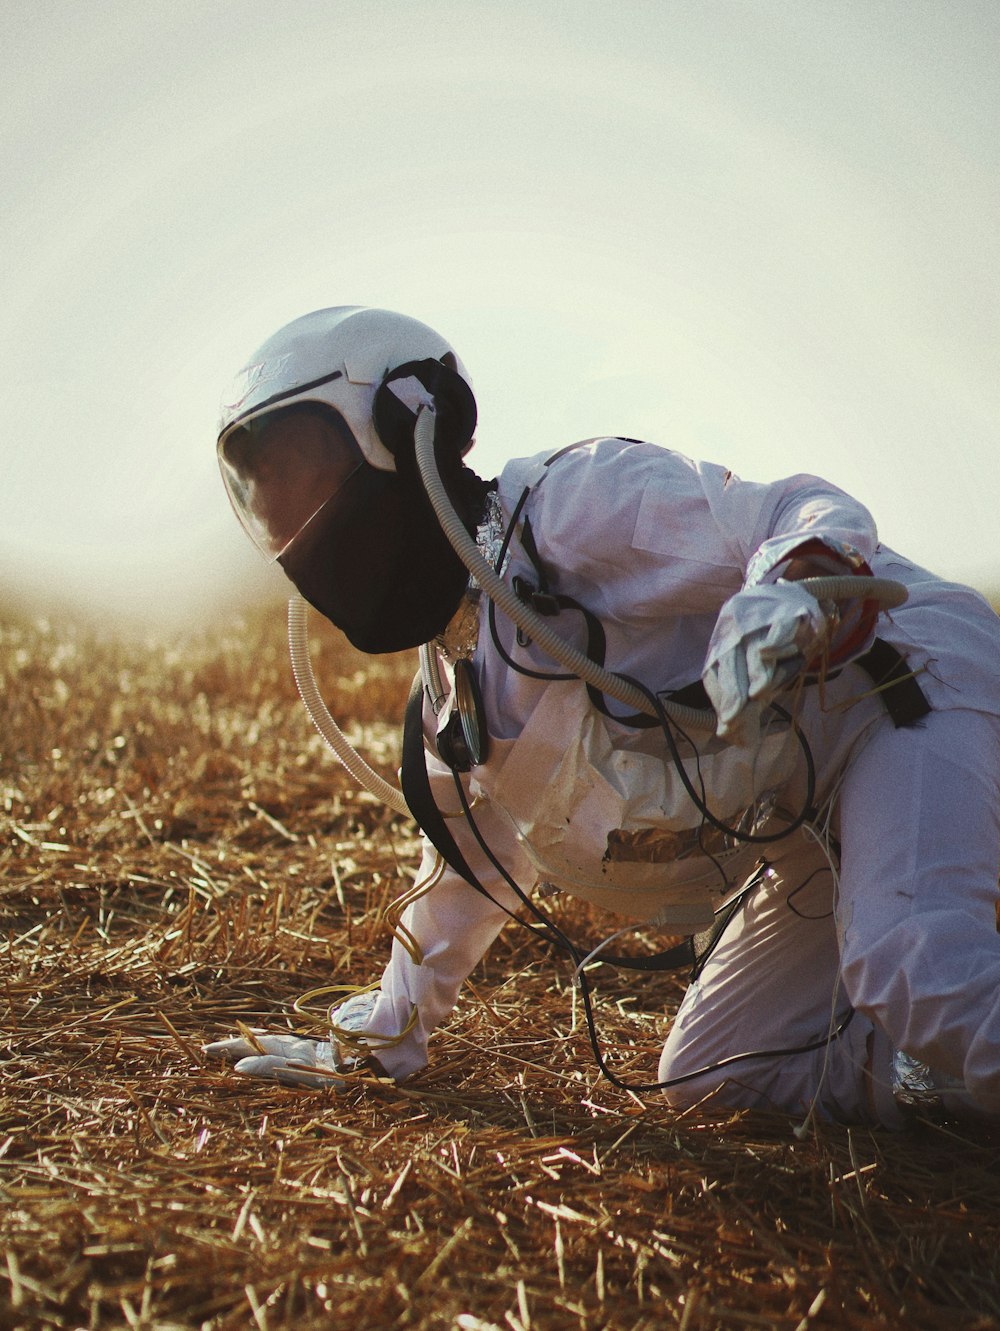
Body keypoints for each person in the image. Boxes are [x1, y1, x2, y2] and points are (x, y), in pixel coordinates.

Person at [205, 305, 1000, 1128]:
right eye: (271, 497)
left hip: (904, 680)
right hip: (811, 808)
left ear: (415, 420)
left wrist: (793, 592)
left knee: (916, 965)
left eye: (308, 468)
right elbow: (465, 877)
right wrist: (377, 1043)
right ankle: (928, 1073)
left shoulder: (571, 506)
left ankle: (942, 1003)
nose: (299, 517)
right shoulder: (454, 697)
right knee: (716, 1081)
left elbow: (792, 510)